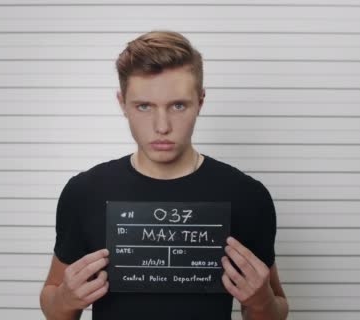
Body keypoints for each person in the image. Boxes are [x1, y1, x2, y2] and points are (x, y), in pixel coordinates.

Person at [40, 30, 288, 320]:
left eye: (178, 105)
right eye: (144, 106)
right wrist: (66, 298)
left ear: (201, 101)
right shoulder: (85, 192)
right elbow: (53, 302)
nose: (162, 126)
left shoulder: (247, 196)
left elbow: (276, 307)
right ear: (122, 104)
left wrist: (261, 302)